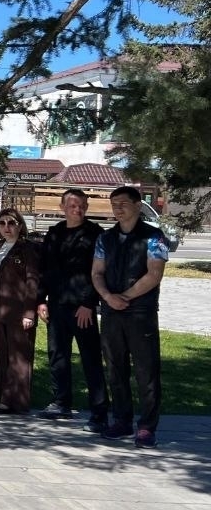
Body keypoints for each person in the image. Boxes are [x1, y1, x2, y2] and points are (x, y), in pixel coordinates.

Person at [91, 186, 169, 447]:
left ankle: (147, 427)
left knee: (146, 369)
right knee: (115, 368)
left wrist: (124, 296)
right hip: (111, 310)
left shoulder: (154, 236)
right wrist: (108, 296)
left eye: (123, 203)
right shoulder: (105, 238)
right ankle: (121, 420)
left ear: (138, 205)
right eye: (114, 204)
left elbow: (154, 274)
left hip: (140, 311)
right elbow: (97, 273)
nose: (118, 208)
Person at [37, 189, 107, 429]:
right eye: (72, 205)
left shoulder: (95, 234)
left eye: (81, 206)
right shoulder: (54, 233)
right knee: (57, 355)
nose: (77, 210)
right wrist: (41, 299)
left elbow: (99, 272)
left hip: (82, 307)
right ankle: (61, 402)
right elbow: (45, 268)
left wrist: (89, 303)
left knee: (90, 358)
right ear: (62, 207)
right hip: (57, 304)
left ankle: (99, 411)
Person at [0, 208, 40, 414]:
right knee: (3, 357)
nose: (6, 227)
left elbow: (32, 282)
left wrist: (29, 313)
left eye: (11, 223)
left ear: (20, 225)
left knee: (19, 358)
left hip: (19, 311)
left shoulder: (27, 249)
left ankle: (17, 402)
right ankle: (3, 398)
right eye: (2, 223)